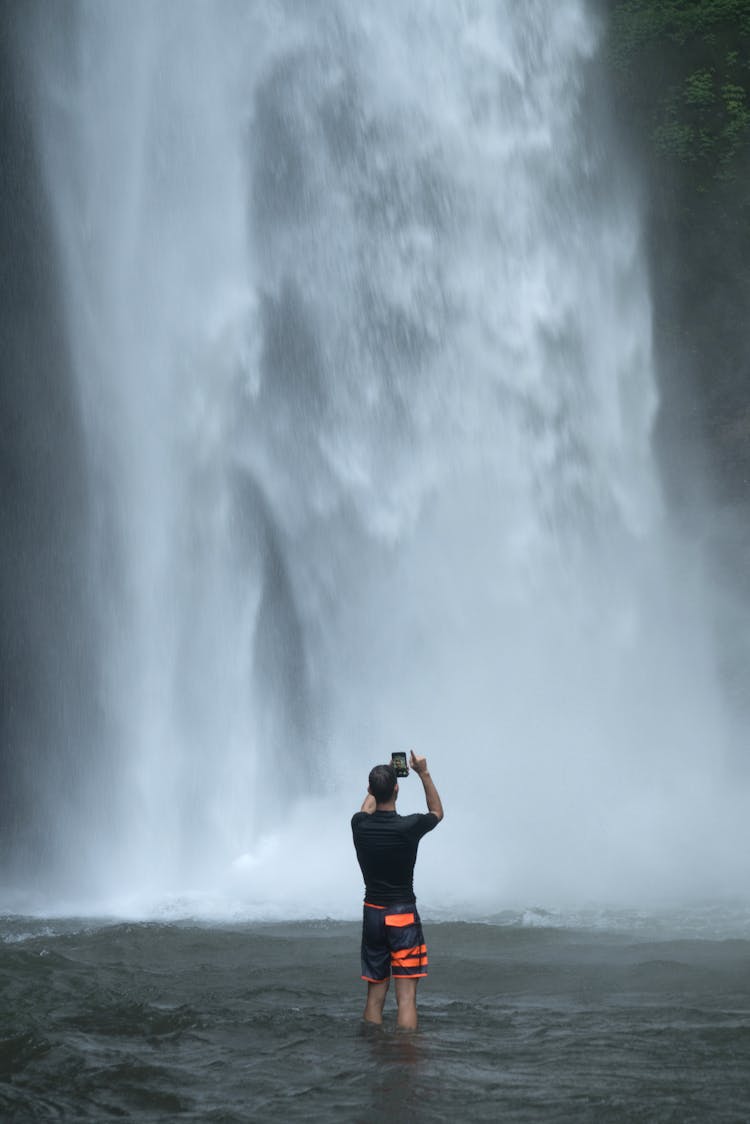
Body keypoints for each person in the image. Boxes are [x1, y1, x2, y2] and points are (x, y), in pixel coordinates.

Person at [351, 750, 444, 1030]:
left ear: (370, 790)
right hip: (402, 914)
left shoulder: (359, 825)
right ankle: (405, 1059)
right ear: (397, 789)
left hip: (373, 915)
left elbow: (367, 807)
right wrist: (423, 773)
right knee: (406, 998)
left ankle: (373, 1053)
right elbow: (437, 812)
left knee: (375, 994)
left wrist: (384, 777)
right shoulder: (409, 827)